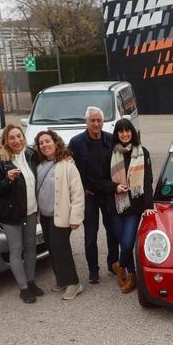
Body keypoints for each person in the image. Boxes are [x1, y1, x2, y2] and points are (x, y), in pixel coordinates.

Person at [96, 117, 155, 294]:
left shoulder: (142, 152)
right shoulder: (109, 155)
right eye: (121, 131)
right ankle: (132, 274)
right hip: (115, 206)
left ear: (132, 132)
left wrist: (148, 206)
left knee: (128, 243)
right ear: (117, 134)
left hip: (134, 206)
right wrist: (115, 187)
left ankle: (119, 266)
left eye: (127, 130)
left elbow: (147, 181)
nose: (124, 134)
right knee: (123, 241)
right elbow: (100, 181)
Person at [0, 125, 44, 304]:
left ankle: (31, 281)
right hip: (11, 214)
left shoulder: (30, 154)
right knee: (16, 249)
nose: (17, 140)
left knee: (31, 247)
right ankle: (23, 288)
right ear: (6, 141)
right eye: (12, 138)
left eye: (19, 136)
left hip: (31, 211)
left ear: (23, 138)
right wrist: (7, 180)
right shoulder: (0, 160)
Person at [68, 106, 118, 284]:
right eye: (93, 120)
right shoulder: (76, 142)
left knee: (113, 231)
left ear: (103, 122)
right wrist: (81, 188)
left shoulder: (111, 140)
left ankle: (113, 264)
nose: (96, 124)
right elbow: (70, 167)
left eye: (99, 120)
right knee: (90, 235)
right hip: (89, 195)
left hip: (108, 193)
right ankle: (93, 270)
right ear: (86, 122)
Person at [35, 129, 86, 300]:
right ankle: (62, 280)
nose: (44, 145)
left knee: (60, 247)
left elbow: (77, 193)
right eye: (41, 143)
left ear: (56, 142)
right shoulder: (40, 165)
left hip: (62, 215)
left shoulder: (68, 165)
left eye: (47, 141)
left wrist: (75, 218)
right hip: (45, 216)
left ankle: (73, 283)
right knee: (52, 247)